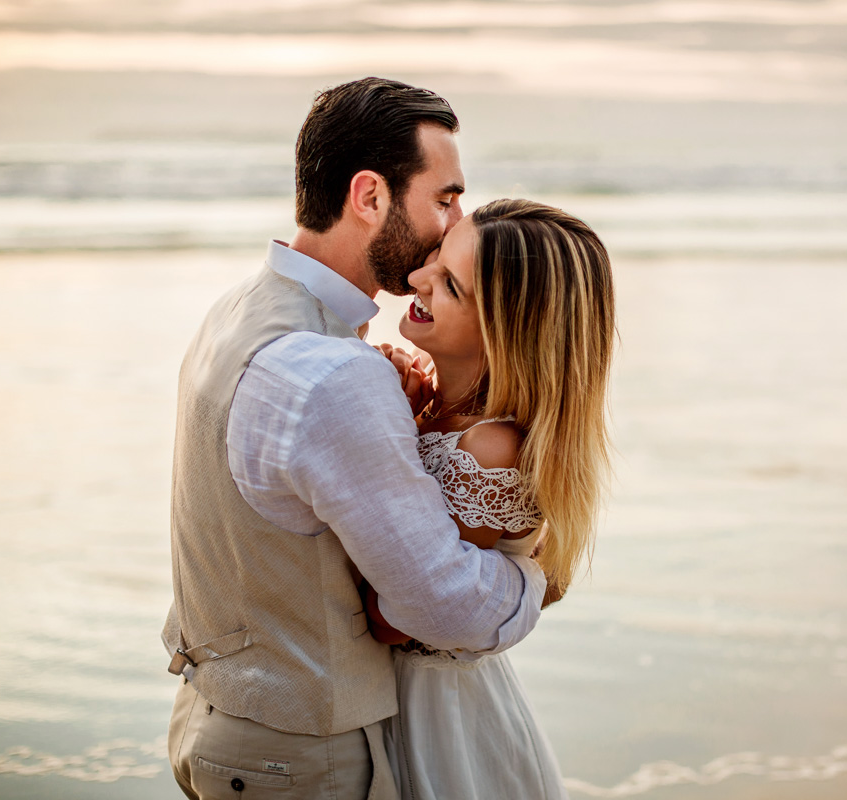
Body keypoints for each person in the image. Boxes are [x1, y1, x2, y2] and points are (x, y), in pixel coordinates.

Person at [162, 78, 546, 799]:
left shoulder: (238, 311)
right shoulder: (333, 371)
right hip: (302, 754)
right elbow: (443, 607)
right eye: (444, 197)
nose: (455, 224)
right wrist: (535, 577)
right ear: (369, 197)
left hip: (216, 719)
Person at [366, 199, 616, 799]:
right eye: (434, 259)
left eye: (449, 284)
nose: (418, 279)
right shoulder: (436, 405)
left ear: (505, 331)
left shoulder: (489, 449)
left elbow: (396, 618)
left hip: (436, 717)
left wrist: (382, 439)